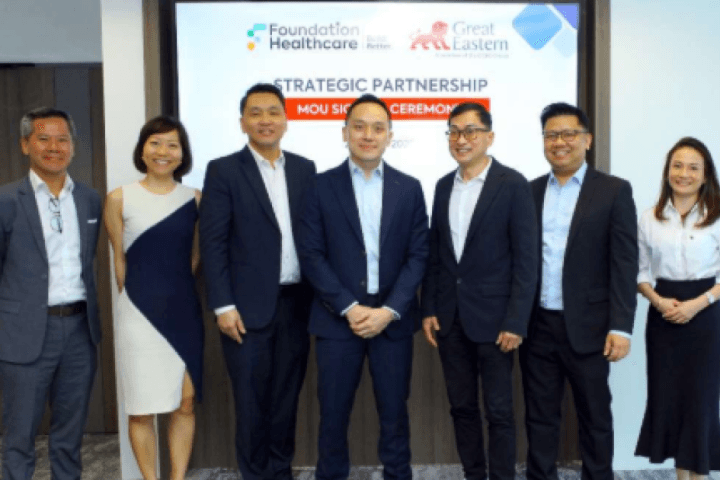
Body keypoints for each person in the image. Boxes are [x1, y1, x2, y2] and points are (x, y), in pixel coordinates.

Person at [297, 94, 429, 480]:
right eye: (359, 126)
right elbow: (311, 254)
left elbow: (418, 255)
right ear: (345, 133)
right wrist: (349, 307)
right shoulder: (319, 186)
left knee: (395, 413)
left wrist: (390, 310)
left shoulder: (409, 188)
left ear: (389, 136)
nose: (368, 135)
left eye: (377, 128)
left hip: (392, 321)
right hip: (337, 319)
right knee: (333, 415)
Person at [199, 83, 316, 480]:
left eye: (273, 112)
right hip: (244, 310)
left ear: (286, 120)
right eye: (256, 112)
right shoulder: (223, 170)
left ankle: (280, 472)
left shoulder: (304, 169)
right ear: (242, 122)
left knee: (286, 401)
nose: (265, 120)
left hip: (297, 305)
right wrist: (223, 305)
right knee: (251, 404)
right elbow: (213, 243)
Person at [521, 102, 638, 480]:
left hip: (590, 326)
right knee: (539, 416)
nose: (560, 142)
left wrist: (621, 326)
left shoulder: (613, 191)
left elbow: (624, 263)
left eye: (569, 134)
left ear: (587, 140)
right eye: (551, 135)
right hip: (538, 325)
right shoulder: (529, 191)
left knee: (594, 416)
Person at [421, 102, 538, 480]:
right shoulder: (443, 185)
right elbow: (437, 254)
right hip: (450, 318)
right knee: (462, 408)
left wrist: (517, 320)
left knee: (499, 411)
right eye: (454, 131)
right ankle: (474, 474)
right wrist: (429, 308)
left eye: (470, 131)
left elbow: (526, 260)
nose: (461, 139)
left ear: (490, 137)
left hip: (497, 321)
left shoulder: (513, 184)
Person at [0, 107, 102, 480]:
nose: (54, 147)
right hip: (24, 333)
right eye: (43, 139)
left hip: (79, 331)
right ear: (25, 145)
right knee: (19, 436)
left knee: (69, 435)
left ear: (73, 146)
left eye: (62, 139)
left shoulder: (89, 199)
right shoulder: (7, 200)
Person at [105, 115, 203, 480]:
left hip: (183, 311)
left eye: (172, 145)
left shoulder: (195, 199)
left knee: (185, 403)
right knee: (141, 409)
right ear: (142, 150)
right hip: (138, 313)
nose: (163, 151)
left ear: (182, 153)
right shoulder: (119, 198)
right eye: (155, 143)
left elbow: (194, 257)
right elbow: (119, 262)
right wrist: (142, 299)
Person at [634, 137, 720, 479]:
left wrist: (697, 304)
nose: (684, 174)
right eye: (677, 166)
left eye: (693, 168)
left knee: (700, 402)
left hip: (707, 313)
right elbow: (640, 272)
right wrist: (657, 301)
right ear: (667, 170)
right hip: (663, 315)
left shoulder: (717, 215)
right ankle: (680, 476)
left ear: (705, 175)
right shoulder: (649, 217)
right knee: (668, 400)